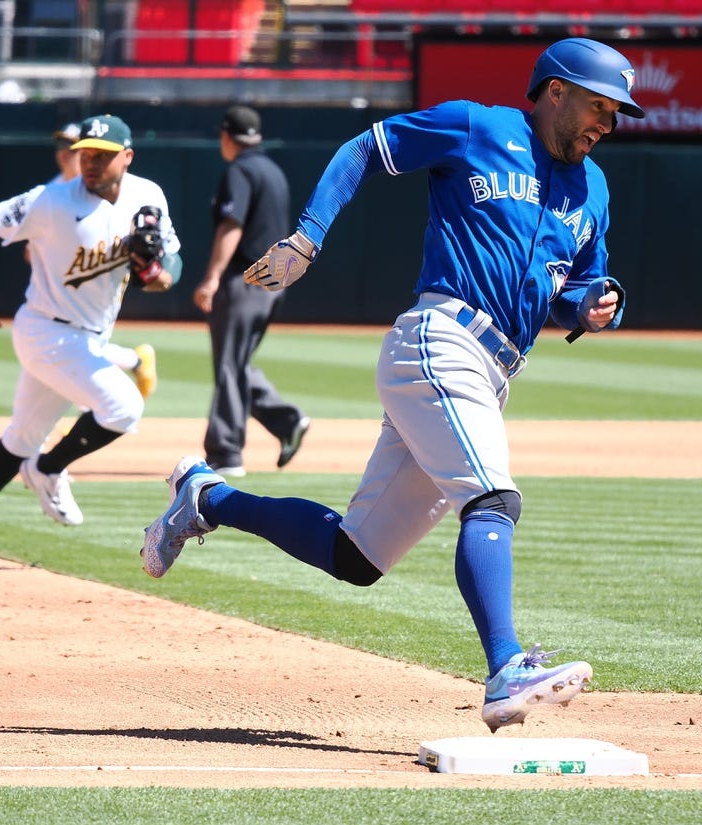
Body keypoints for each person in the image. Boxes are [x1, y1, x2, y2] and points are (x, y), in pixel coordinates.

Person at [138, 38, 640, 733]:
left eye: (616, 115)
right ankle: (505, 668)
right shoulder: (478, 127)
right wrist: (309, 234)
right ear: (555, 91)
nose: (606, 125)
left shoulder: (594, 188)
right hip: (440, 340)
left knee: (356, 555)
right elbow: (367, 148)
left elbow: (575, 285)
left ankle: (205, 497)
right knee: (492, 499)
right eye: (599, 106)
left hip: (492, 371)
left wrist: (589, 305)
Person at [0, 113, 182, 563]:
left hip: (88, 336)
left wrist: (159, 274)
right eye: (85, 153)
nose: (90, 162)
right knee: (124, 407)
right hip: (45, 330)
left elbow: (171, 261)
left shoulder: (148, 196)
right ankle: (48, 468)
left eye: (103, 156)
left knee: (22, 436)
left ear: (126, 158)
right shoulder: (52, 200)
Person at [191, 106, 310, 477]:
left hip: (245, 281)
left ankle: (226, 453)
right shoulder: (273, 171)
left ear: (228, 137)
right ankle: (286, 421)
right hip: (273, 284)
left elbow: (232, 225)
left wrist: (212, 277)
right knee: (238, 362)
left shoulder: (240, 170)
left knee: (229, 364)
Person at [34, 123, 159, 401]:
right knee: (69, 351)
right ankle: (133, 361)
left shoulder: (105, 186)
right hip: (68, 283)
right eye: (61, 146)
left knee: (78, 349)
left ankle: (105, 398)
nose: (64, 152)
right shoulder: (56, 190)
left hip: (100, 284)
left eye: (70, 145)